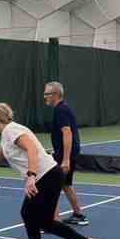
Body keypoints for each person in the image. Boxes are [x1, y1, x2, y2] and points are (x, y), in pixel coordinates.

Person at [0, 103, 102, 239]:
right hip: (47, 176)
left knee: (38, 218)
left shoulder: (12, 130)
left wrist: (31, 176)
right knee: (35, 217)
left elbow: (31, 148)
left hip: (47, 176)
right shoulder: (7, 134)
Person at [44, 81, 88, 226]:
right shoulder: (63, 108)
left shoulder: (60, 110)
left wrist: (65, 159)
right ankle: (79, 214)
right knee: (65, 184)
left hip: (65, 155)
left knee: (52, 184)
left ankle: (53, 221)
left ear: (56, 95)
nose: (45, 97)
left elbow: (67, 133)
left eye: (47, 94)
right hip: (64, 153)